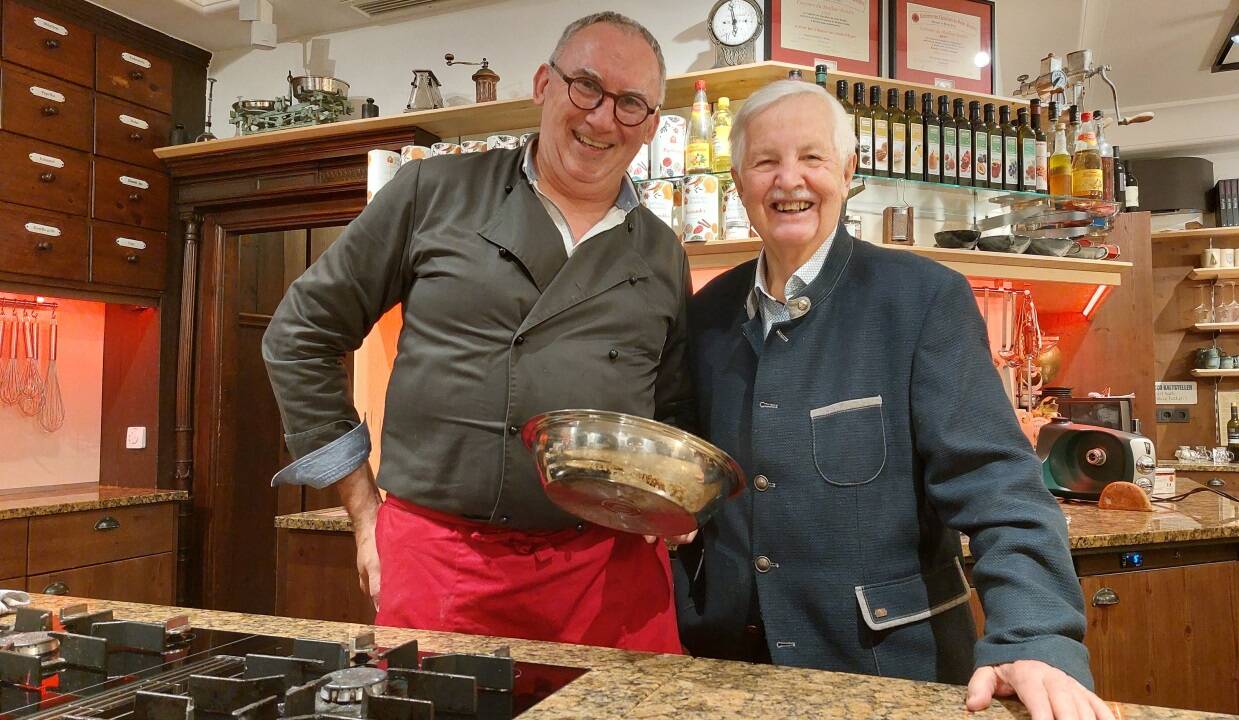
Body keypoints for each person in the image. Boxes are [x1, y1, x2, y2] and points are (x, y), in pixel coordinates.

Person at [674, 80, 1115, 719]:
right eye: (765, 161)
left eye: (812, 157)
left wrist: (1034, 638)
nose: (788, 179)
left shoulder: (922, 299)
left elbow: (996, 484)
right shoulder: (710, 312)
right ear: (739, 181)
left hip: (889, 669)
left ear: (848, 171)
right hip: (729, 671)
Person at [262, 12, 694, 653]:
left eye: (631, 103)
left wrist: (672, 501)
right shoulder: (433, 193)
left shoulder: (662, 252)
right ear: (544, 84)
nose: (603, 118)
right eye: (586, 87)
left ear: (653, 125)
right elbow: (301, 332)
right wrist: (362, 507)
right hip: (446, 565)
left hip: (608, 575)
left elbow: (672, 410)